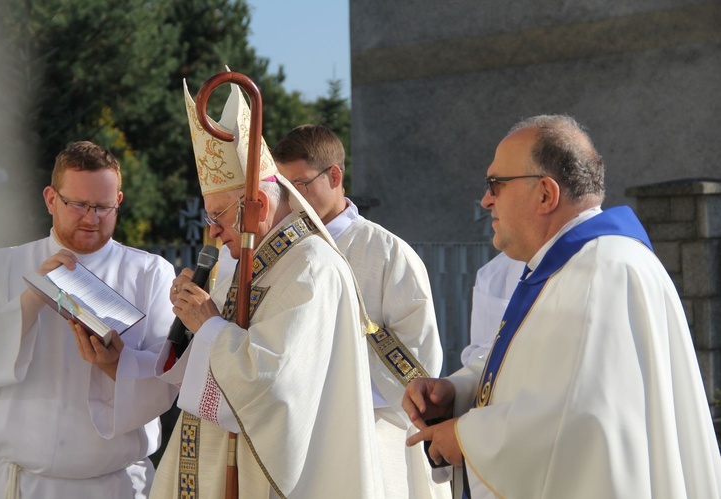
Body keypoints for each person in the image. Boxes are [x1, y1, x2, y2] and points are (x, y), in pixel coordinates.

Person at [403, 115, 721, 498]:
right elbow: (540, 375)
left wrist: (467, 438)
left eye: (495, 184)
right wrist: (458, 391)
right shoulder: (573, 266)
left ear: (545, 195)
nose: (486, 199)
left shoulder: (601, 271)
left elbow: (581, 417)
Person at [149, 81, 383, 498]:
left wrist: (209, 327)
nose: (213, 232)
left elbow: (275, 389)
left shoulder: (310, 268)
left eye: (218, 215)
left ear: (255, 201)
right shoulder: (244, 264)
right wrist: (190, 321)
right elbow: (213, 360)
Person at [0, 141, 179, 498]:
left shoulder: (151, 274)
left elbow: (168, 382)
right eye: (78, 204)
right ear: (51, 199)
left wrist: (118, 365)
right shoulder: (1, 264)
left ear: (119, 203)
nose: (91, 217)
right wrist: (33, 297)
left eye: (103, 206)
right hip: (18, 483)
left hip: (113, 484)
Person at [272, 124, 448, 499]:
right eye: (282, 187)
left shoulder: (387, 253)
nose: (290, 199)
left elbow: (418, 361)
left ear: (334, 176)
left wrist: (335, 389)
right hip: (300, 439)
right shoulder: (281, 254)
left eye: (300, 185)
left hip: (372, 434)